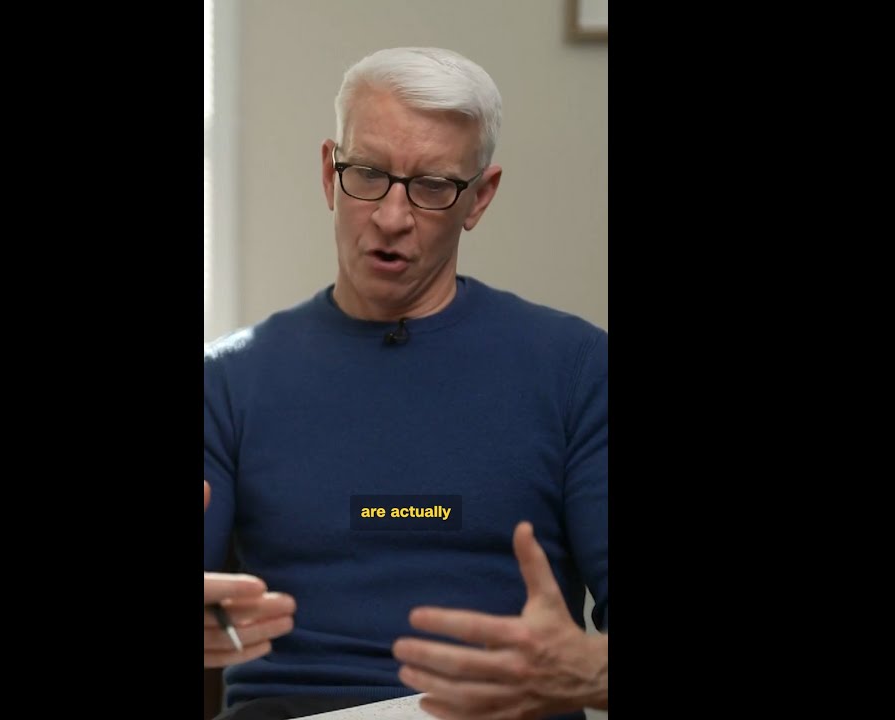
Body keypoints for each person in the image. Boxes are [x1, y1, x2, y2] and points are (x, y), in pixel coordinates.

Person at [204, 47, 608, 720]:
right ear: (330, 175)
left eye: (432, 186)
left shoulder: (579, 370)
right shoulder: (227, 380)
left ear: (479, 197)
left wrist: (588, 672)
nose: (392, 217)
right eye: (367, 174)